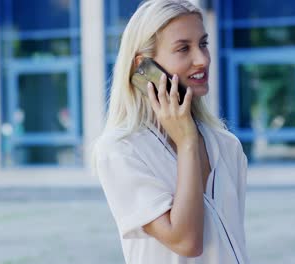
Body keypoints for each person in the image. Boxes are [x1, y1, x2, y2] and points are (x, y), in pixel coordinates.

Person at [92, 0, 249, 263]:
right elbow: (186, 241)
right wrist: (186, 142)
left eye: (203, 44)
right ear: (144, 65)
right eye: (183, 48)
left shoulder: (226, 146)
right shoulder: (120, 151)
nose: (201, 59)